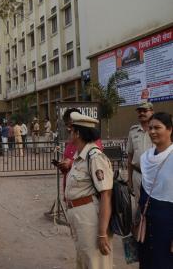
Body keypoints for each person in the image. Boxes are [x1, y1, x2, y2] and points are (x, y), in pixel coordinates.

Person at [65, 112, 113, 268]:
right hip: (79, 216)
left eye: (71, 130)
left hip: (90, 218)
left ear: (78, 133)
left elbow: (106, 194)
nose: (69, 132)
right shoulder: (80, 156)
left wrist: (102, 233)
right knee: (84, 260)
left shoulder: (94, 156)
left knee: (95, 262)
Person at [138, 112, 173, 268]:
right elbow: (143, 189)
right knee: (147, 262)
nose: (152, 131)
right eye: (150, 128)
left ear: (170, 129)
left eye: (157, 127)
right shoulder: (145, 158)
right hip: (147, 222)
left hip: (167, 223)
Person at [57, 109, 103, 198]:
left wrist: (70, 163)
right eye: (66, 124)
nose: (68, 128)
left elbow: (105, 191)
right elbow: (66, 161)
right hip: (71, 193)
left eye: (70, 124)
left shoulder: (92, 141)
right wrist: (63, 165)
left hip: (85, 197)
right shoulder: (70, 141)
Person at [127, 101, 154, 211]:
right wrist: (129, 180)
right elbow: (130, 157)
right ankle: (142, 227)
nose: (141, 113)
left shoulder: (157, 130)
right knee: (140, 206)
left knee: (154, 205)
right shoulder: (133, 131)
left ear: (152, 112)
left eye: (145, 110)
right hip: (138, 174)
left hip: (154, 175)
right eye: (139, 111)